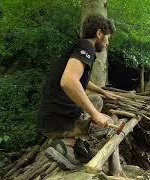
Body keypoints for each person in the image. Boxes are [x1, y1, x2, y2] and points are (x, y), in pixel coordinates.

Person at [37, 14, 118, 170]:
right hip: (57, 121)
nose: (108, 42)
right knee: (108, 124)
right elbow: (69, 82)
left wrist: (103, 92)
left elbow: (81, 80)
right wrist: (95, 115)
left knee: (97, 100)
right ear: (99, 34)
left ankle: (75, 144)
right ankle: (66, 145)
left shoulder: (79, 47)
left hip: (49, 118)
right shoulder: (86, 47)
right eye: (108, 37)